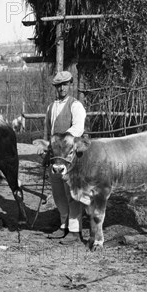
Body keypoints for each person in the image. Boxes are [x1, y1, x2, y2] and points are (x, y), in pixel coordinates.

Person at [43, 70, 87, 245]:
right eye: (58, 85)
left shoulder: (75, 105)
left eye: (65, 84)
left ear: (70, 85)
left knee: (72, 193)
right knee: (58, 192)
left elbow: (78, 128)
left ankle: (75, 230)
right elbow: (48, 130)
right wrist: (48, 149)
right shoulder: (51, 107)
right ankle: (63, 225)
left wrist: (62, 141)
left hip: (70, 156)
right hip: (55, 156)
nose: (62, 88)